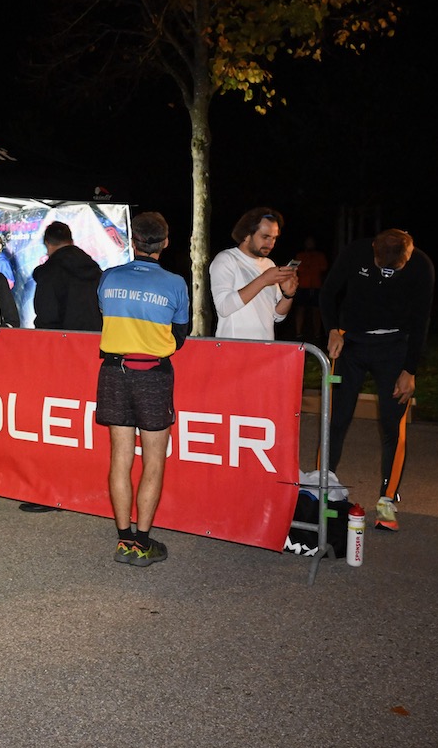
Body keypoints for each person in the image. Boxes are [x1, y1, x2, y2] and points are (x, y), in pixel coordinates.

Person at [320, 229, 435, 532]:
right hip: (351, 343)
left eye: (397, 267)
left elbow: (422, 318)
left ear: (409, 254)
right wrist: (332, 329)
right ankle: (323, 491)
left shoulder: (421, 266)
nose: (389, 272)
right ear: (372, 249)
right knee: (336, 419)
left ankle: (387, 500)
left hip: (395, 347)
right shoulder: (355, 252)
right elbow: (328, 292)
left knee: (392, 423)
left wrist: (410, 370)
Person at [96, 212, 190, 565]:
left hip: (114, 372)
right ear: (165, 243)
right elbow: (180, 336)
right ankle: (142, 543)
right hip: (153, 375)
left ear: (133, 241)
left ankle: (123, 541)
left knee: (120, 458)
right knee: (153, 461)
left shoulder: (108, 278)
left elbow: (104, 313)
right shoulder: (175, 283)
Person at [209, 207, 297, 340]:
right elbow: (224, 307)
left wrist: (288, 295)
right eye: (265, 237)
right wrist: (263, 280)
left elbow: (277, 316)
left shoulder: (269, 264)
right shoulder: (226, 259)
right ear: (246, 235)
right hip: (234, 348)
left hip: (265, 348)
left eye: (274, 238)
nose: (271, 244)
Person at [31, 220, 102, 331]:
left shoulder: (49, 272)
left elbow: (47, 314)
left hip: (62, 341)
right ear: (72, 241)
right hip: (94, 338)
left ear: (47, 243)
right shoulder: (93, 268)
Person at [292, 236, 329, 342]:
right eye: (308, 242)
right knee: (300, 309)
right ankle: (298, 333)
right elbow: (293, 268)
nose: (309, 244)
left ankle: (317, 334)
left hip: (316, 286)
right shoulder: (300, 255)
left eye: (311, 242)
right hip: (302, 286)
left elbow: (324, 267)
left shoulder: (320, 255)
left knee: (316, 311)